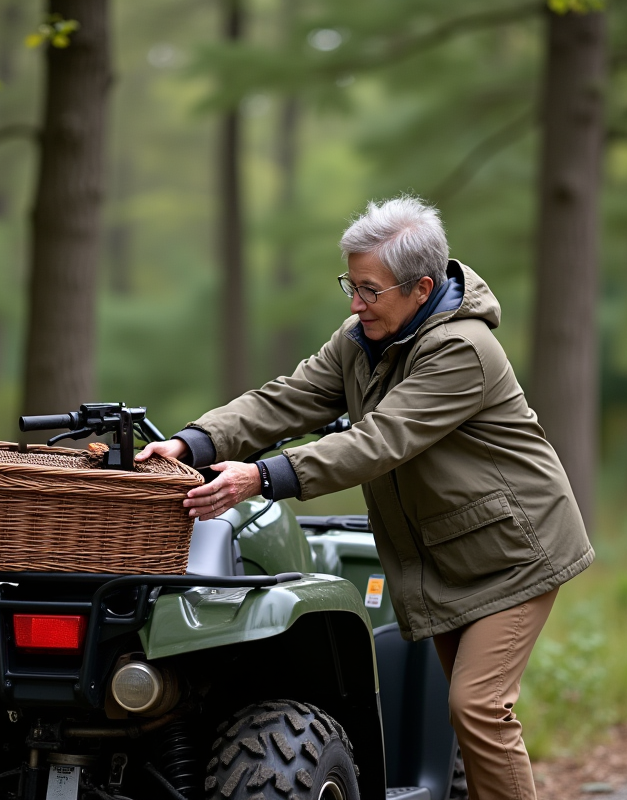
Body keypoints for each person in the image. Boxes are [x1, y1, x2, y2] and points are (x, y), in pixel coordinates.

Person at [136, 195, 593, 800]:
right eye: (349, 286)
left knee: (479, 709)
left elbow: (380, 441)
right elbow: (286, 400)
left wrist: (262, 476)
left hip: (517, 549)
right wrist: (190, 443)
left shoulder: (463, 351)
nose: (354, 303)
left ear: (420, 286)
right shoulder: (362, 339)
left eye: (368, 290)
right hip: (450, 549)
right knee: (471, 719)